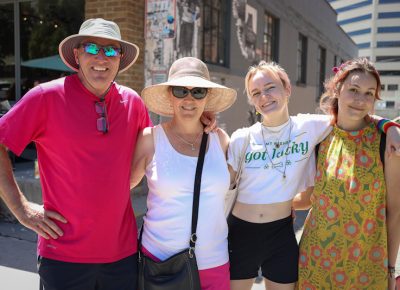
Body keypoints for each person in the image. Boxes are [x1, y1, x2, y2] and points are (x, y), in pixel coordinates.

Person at [0, 18, 149, 290]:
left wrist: (203, 123)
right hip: (62, 256)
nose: (101, 57)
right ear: (77, 55)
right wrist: (21, 210)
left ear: (120, 59)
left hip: (123, 255)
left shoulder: (134, 103)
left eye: (111, 50)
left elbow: (154, 146)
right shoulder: (45, 97)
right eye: (91, 48)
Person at [226, 60, 400, 290]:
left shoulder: (319, 130)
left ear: (287, 89)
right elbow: (220, 187)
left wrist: (390, 127)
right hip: (286, 249)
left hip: (351, 257)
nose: (265, 96)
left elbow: (395, 210)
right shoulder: (246, 137)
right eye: (256, 92)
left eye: (270, 87)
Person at [130, 57, 237, 290]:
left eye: (198, 91)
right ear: (170, 95)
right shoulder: (150, 139)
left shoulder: (221, 140)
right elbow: (120, 186)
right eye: (180, 90)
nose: (189, 99)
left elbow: (245, 183)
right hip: (161, 262)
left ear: (207, 98)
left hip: (215, 262)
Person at [296, 58, 400, 289]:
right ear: (337, 89)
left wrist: (391, 268)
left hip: (367, 266)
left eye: (369, 93)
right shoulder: (319, 136)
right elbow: (309, 198)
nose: (360, 100)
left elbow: (395, 211)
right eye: (353, 90)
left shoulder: (387, 142)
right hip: (315, 263)